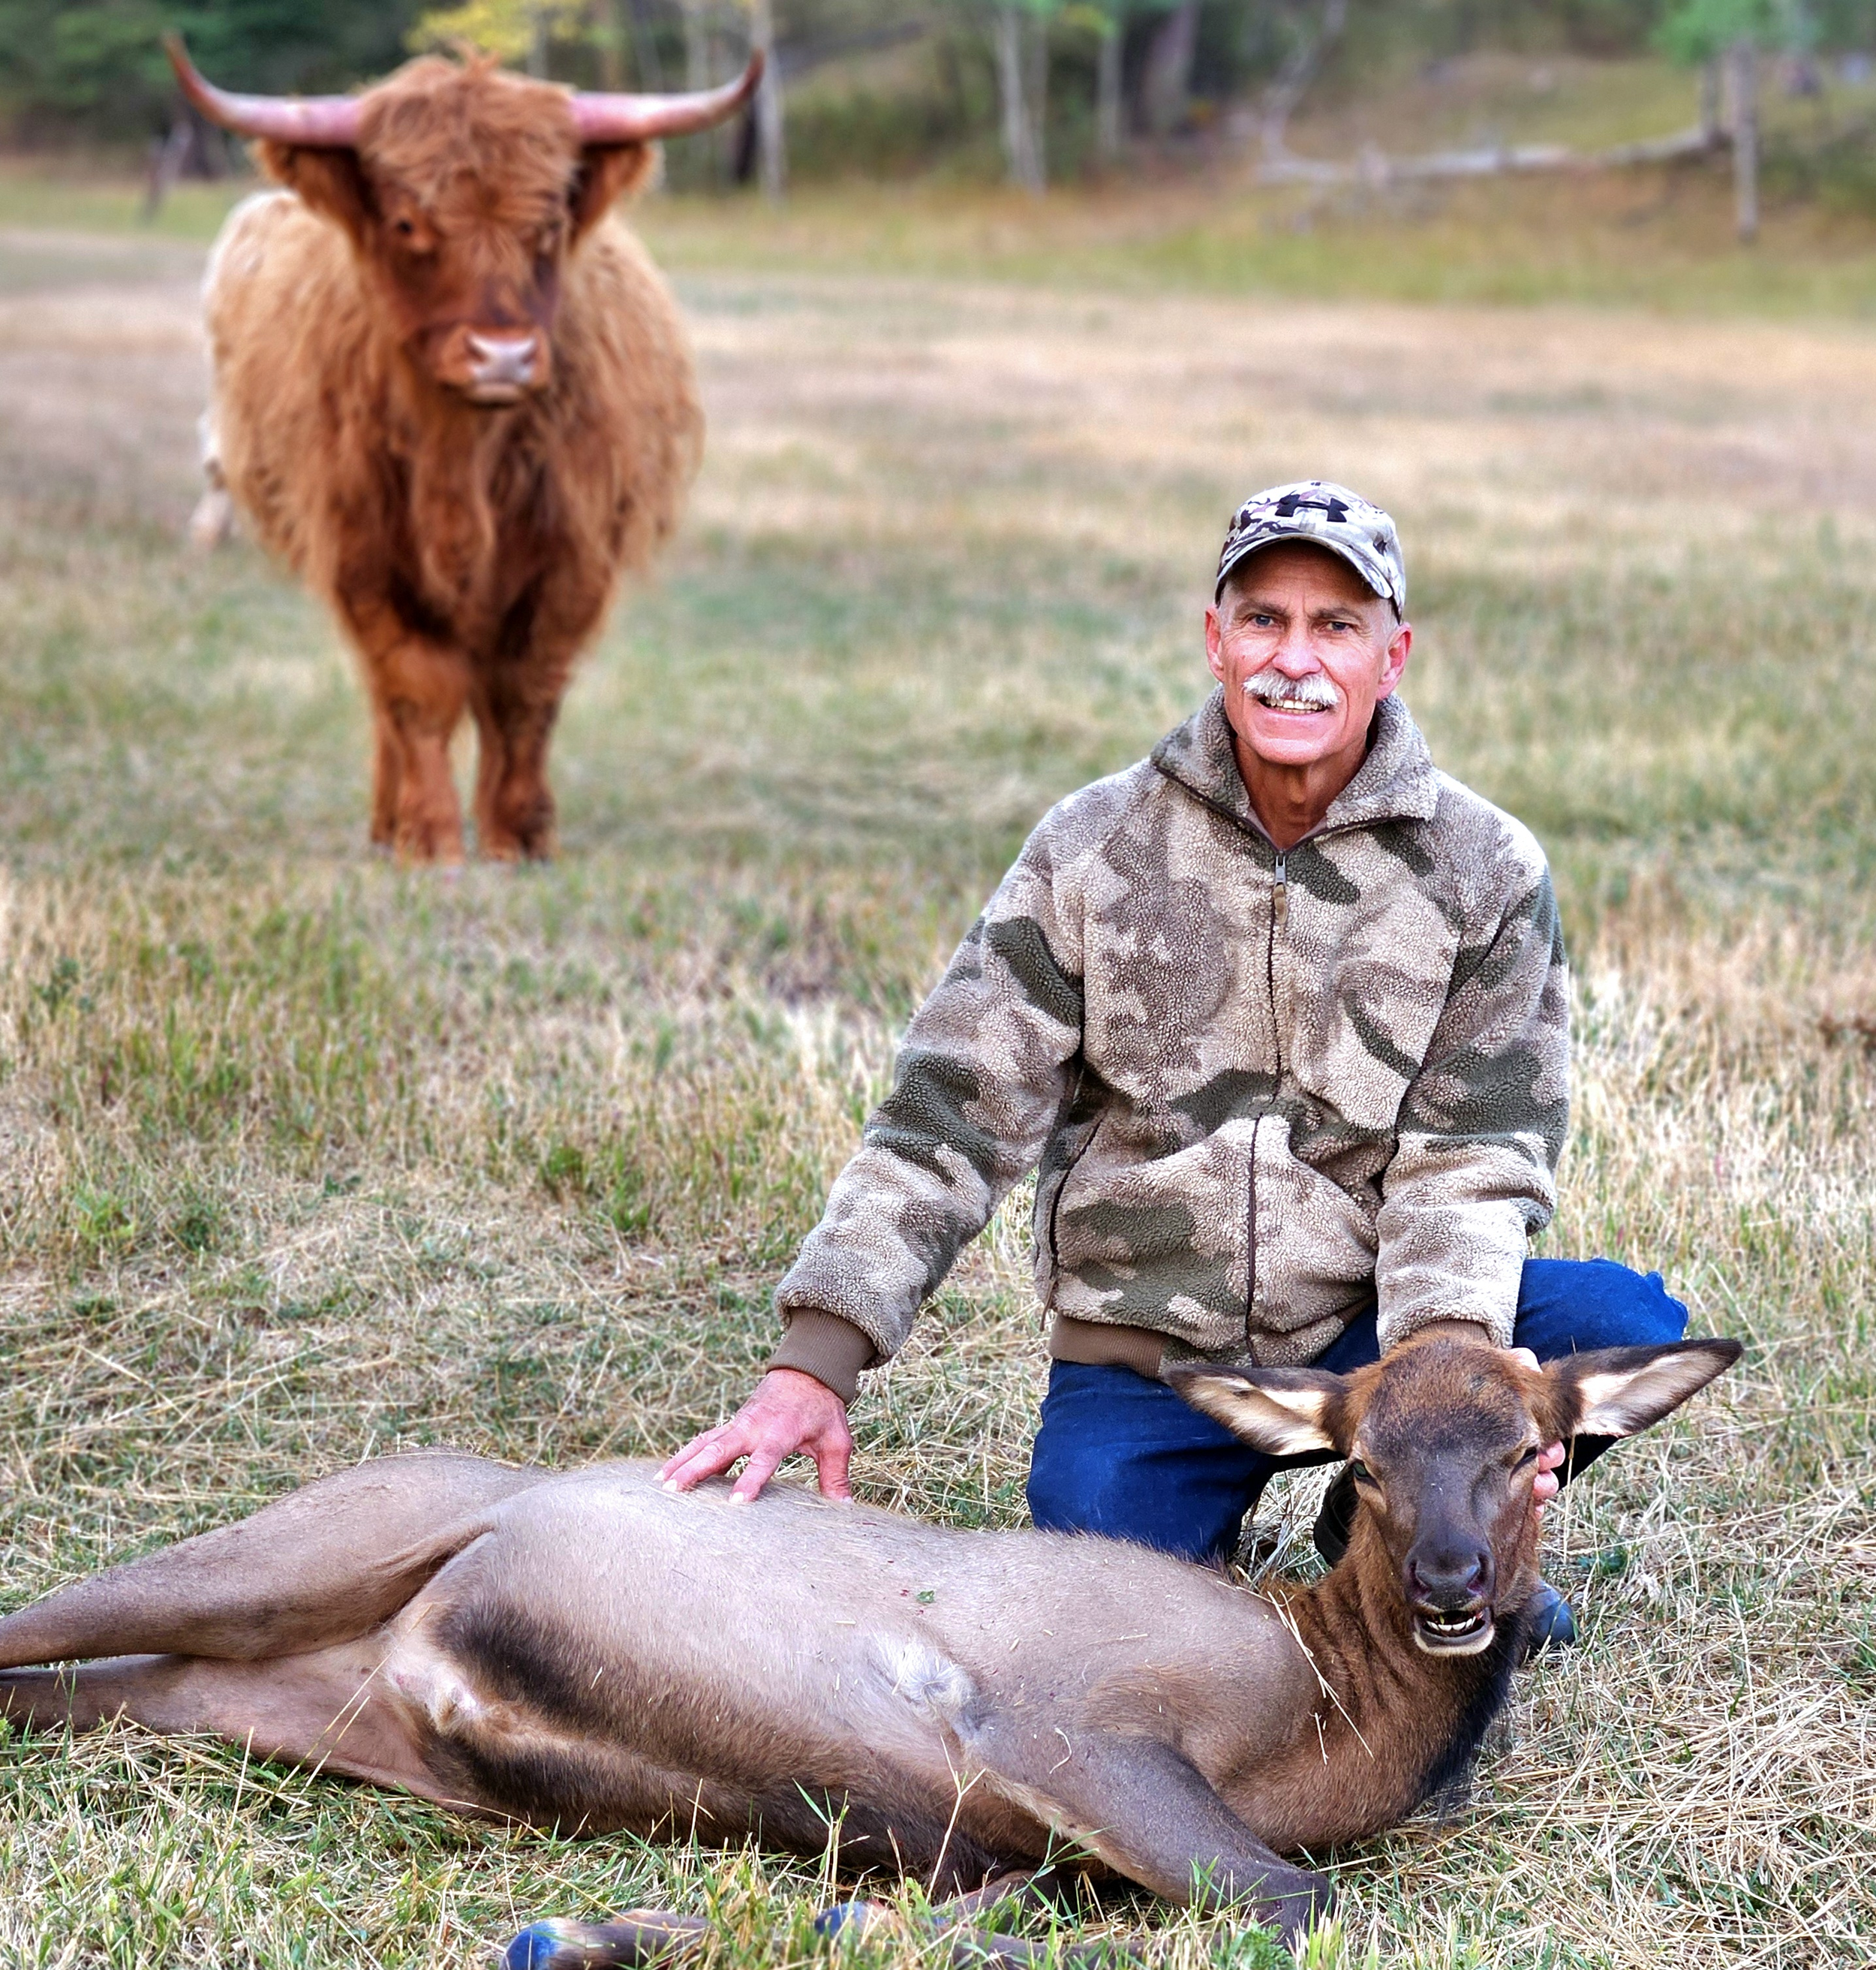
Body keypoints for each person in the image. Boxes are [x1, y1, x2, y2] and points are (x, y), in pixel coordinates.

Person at [661, 480, 1688, 1649]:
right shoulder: (1093, 845)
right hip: (1154, 1356)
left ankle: (1391, 1523)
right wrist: (817, 1363)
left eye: (1336, 627)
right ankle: (1261, 1508)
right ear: (1216, 639)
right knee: (1106, 1573)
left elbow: (1475, 1156)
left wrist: (1448, 1390)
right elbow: (951, 1111)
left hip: (1372, 1338)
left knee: (1619, 1318)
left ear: (1392, 656)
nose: (1292, 662)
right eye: (1265, 620)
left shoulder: (1485, 867)